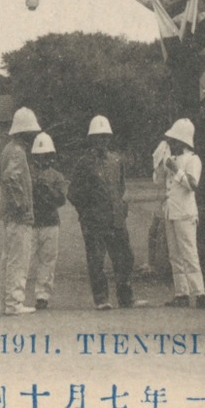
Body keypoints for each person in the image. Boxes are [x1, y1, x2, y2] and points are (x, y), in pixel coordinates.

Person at [68, 115, 140, 310]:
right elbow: (73, 193)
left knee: (125, 258)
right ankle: (101, 299)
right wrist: (87, 212)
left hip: (116, 220)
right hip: (94, 222)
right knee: (96, 261)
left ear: (109, 138)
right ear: (91, 139)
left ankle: (126, 298)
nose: (102, 141)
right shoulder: (84, 164)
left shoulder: (116, 161)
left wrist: (120, 208)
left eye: (105, 137)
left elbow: (121, 188)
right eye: (98, 137)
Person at [153, 118, 205, 309]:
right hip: (171, 213)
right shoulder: (174, 159)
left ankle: (199, 294)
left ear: (183, 141)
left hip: (185, 214)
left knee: (189, 254)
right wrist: (161, 163)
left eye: (174, 140)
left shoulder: (193, 160)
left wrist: (176, 171)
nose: (171, 143)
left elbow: (192, 185)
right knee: (175, 255)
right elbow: (158, 181)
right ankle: (181, 293)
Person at [0, 107, 41, 316]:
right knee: (18, 260)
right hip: (19, 216)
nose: (33, 136)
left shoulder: (8, 149)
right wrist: (21, 202)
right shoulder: (18, 152)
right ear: (25, 132)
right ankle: (14, 303)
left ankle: (6, 302)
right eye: (31, 132)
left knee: (8, 259)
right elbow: (9, 177)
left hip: (9, 215)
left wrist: (9, 197)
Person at [27, 132, 67, 310]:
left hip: (50, 222)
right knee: (24, 259)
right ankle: (15, 294)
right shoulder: (28, 172)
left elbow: (61, 200)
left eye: (46, 155)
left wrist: (48, 189)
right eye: (39, 156)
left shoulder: (56, 176)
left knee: (48, 260)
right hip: (31, 222)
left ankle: (42, 295)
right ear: (35, 156)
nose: (43, 159)